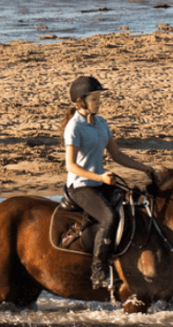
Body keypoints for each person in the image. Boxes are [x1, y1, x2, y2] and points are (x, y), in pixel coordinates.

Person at [61, 76, 158, 289]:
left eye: (98, 98)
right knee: (109, 217)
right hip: (80, 186)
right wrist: (100, 177)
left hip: (100, 182)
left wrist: (145, 168)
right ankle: (98, 273)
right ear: (81, 101)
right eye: (94, 99)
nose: (99, 102)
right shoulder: (74, 127)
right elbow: (70, 166)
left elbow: (117, 155)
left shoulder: (102, 123)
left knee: (132, 207)